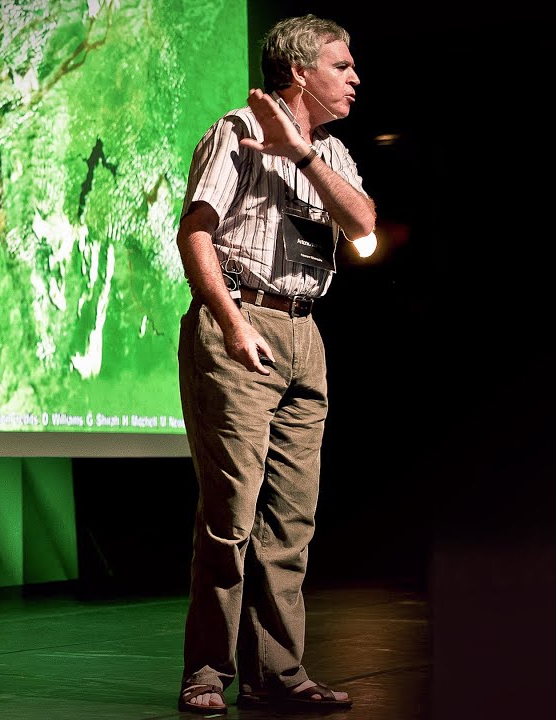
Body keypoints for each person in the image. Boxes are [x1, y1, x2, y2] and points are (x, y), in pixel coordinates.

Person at [173, 14, 375, 715]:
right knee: (230, 514)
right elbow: (195, 232)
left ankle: (278, 674)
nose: (355, 78)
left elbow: (363, 224)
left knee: (290, 522)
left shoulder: (332, 151)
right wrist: (230, 323)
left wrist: (304, 156)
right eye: (341, 66)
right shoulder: (234, 132)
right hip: (242, 321)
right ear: (298, 72)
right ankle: (207, 671)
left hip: (304, 333)